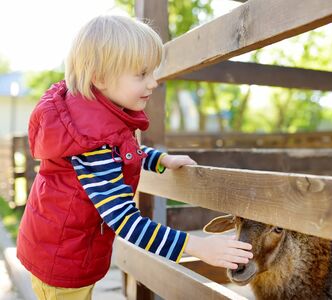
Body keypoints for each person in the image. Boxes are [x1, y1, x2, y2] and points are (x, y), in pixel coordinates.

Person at [17, 15, 253, 299]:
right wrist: (197, 247)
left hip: (64, 249)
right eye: (141, 75)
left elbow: (121, 153)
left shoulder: (92, 120)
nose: (153, 83)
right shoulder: (91, 142)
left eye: (152, 72)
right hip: (62, 263)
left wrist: (158, 160)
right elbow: (126, 221)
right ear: (100, 77)